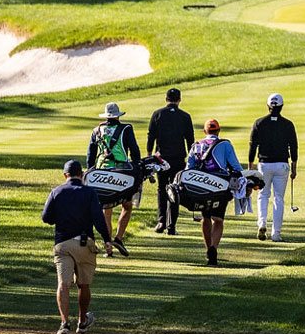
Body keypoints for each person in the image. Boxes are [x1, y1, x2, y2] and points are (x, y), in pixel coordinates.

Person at [42, 158, 112, 334]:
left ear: (65, 175)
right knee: (83, 285)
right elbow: (98, 218)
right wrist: (107, 239)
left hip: (63, 244)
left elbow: (46, 218)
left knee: (63, 284)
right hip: (84, 243)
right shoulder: (89, 192)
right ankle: (81, 321)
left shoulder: (56, 191)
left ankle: (64, 323)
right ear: (81, 175)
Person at [187, 118, 244, 265]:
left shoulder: (196, 146)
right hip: (219, 187)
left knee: (206, 218)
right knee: (217, 220)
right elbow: (236, 168)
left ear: (205, 131)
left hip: (201, 188)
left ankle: (209, 249)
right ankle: (213, 248)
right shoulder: (225, 144)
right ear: (218, 131)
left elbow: (188, 169)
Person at [87, 102, 142, 255]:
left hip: (101, 171)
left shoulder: (97, 130)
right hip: (121, 172)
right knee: (127, 205)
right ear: (118, 116)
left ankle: (108, 247)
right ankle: (118, 238)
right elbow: (134, 151)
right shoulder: (126, 128)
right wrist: (137, 166)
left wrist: (91, 171)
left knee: (106, 210)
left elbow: (90, 155)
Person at [248, 93, 299, 242]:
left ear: (268, 106)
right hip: (282, 165)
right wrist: (294, 167)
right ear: (282, 107)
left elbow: (252, 146)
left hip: (264, 165)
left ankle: (262, 223)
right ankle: (276, 234)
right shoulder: (288, 124)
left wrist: (251, 168)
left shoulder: (259, 123)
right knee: (279, 199)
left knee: (263, 195)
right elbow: (294, 147)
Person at [147, 87, 194, 235]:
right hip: (178, 158)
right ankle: (171, 225)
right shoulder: (185, 116)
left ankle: (161, 221)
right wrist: (191, 160)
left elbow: (151, 136)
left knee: (162, 189)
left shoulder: (157, 114)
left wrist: (149, 155)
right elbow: (190, 140)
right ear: (179, 100)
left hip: (161, 159)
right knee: (175, 190)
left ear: (166, 99)